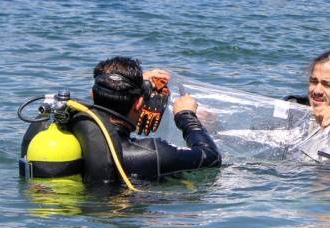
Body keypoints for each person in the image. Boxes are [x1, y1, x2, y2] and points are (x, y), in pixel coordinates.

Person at [21, 56, 220, 189]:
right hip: (122, 215)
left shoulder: (61, 126)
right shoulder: (150, 154)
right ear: (140, 102)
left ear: (93, 94)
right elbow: (210, 157)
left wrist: (132, 81)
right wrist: (186, 116)